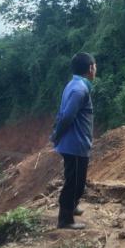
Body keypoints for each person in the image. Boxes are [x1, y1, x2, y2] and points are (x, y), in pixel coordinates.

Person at [50, 52, 96, 230]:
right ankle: (65, 219)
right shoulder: (79, 90)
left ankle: (72, 206)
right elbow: (67, 116)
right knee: (74, 182)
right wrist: (57, 135)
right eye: (95, 66)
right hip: (74, 144)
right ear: (90, 68)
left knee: (78, 180)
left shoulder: (74, 84)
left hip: (76, 143)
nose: (95, 69)